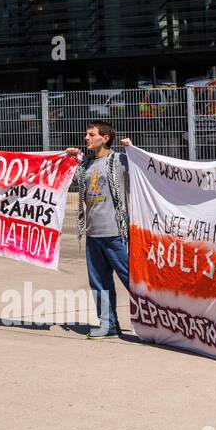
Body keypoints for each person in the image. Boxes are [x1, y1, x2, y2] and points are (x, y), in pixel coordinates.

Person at [65, 121, 131, 339]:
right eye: (86, 134)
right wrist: (69, 160)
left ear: (105, 138)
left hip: (116, 234)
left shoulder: (119, 160)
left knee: (133, 279)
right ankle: (108, 324)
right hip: (93, 233)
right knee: (99, 282)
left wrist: (133, 150)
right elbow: (66, 180)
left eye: (91, 134)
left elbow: (145, 168)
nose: (86, 138)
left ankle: (159, 320)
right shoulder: (85, 166)